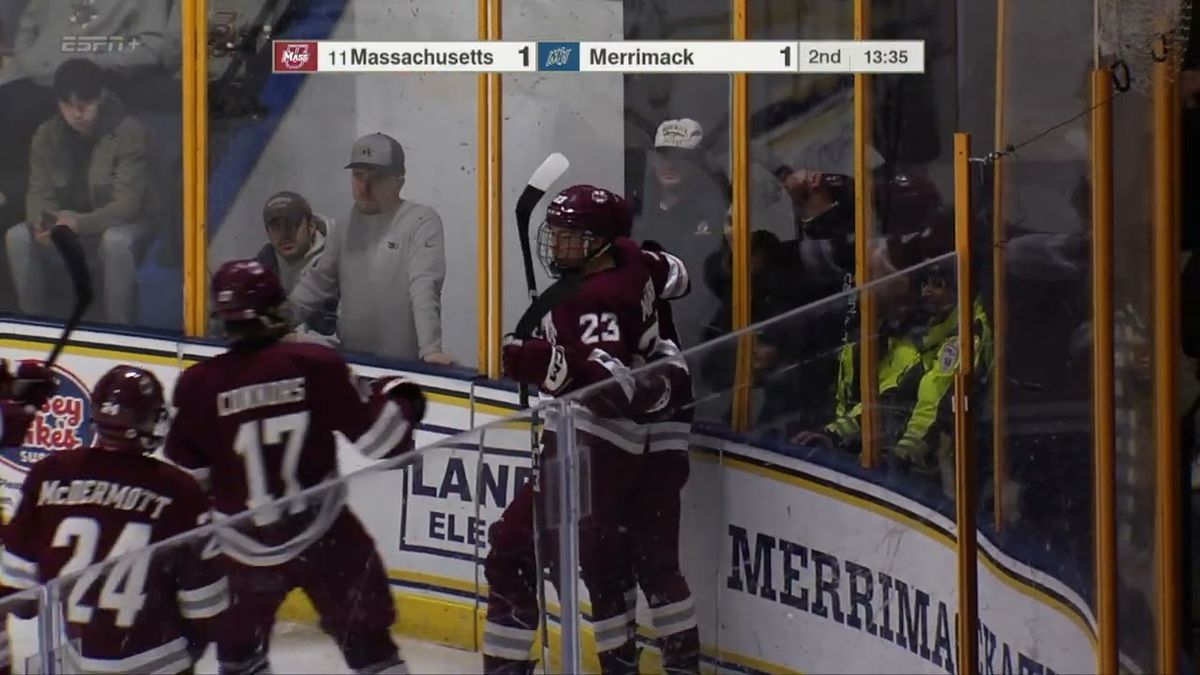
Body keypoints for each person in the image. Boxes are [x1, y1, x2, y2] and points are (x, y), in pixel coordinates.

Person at [164, 258, 428, 675]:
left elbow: (189, 483)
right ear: (274, 310)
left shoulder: (198, 385)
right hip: (327, 538)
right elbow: (383, 441)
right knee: (374, 653)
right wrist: (401, 401)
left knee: (240, 663)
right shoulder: (313, 364)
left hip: (240, 551)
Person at [483, 185, 691, 675]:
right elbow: (677, 276)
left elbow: (613, 392)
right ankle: (638, 666)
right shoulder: (630, 256)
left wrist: (543, 363)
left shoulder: (596, 302)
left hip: (591, 448)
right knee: (617, 565)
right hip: (625, 441)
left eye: (571, 237)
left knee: (515, 551)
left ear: (599, 242)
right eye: (555, 234)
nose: (557, 246)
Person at [0, 365, 229, 674]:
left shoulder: (50, 472)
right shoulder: (181, 490)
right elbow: (206, 608)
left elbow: (20, 599)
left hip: (77, 662)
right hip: (159, 662)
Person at [287, 132, 455, 365]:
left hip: (407, 369)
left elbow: (424, 286)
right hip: (353, 367)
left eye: (377, 178)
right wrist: (275, 324)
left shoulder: (421, 222)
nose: (364, 188)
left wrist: (430, 349)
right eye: (358, 176)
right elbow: (316, 284)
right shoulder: (344, 227)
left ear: (399, 180)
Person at [5, 57, 151, 325]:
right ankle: (35, 325)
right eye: (68, 106)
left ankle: (119, 329)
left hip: (124, 224)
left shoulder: (129, 132)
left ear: (102, 96)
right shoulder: (46, 135)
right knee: (18, 237)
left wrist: (77, 224)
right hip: (67, 223)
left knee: (116, 242)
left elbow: (128, 205)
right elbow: (38, 194)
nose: (77, 114)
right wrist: (44, 223)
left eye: (85, 105)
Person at [254, 190, 338, 340]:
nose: (285, 235)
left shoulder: (336, 261)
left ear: (311, 226)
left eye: (291, 225)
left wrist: (298, 340)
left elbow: (347, 339)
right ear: (267, 232)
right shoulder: (264, 263)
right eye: (276, 227)